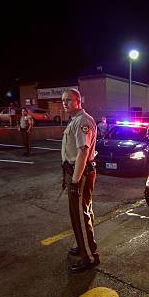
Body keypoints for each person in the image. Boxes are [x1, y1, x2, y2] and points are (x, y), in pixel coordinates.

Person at [60, 88, 99, 272]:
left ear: (78, 101)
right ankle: (83, 246)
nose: (65, 103)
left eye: (68, 100)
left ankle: (89, 257)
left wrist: (75, 181)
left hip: (80, 174)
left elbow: (83, 152)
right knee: (79, 213)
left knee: (81, 215)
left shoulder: (82, 120)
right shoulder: (76, 120)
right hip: (75, 172)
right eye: (63, 100)